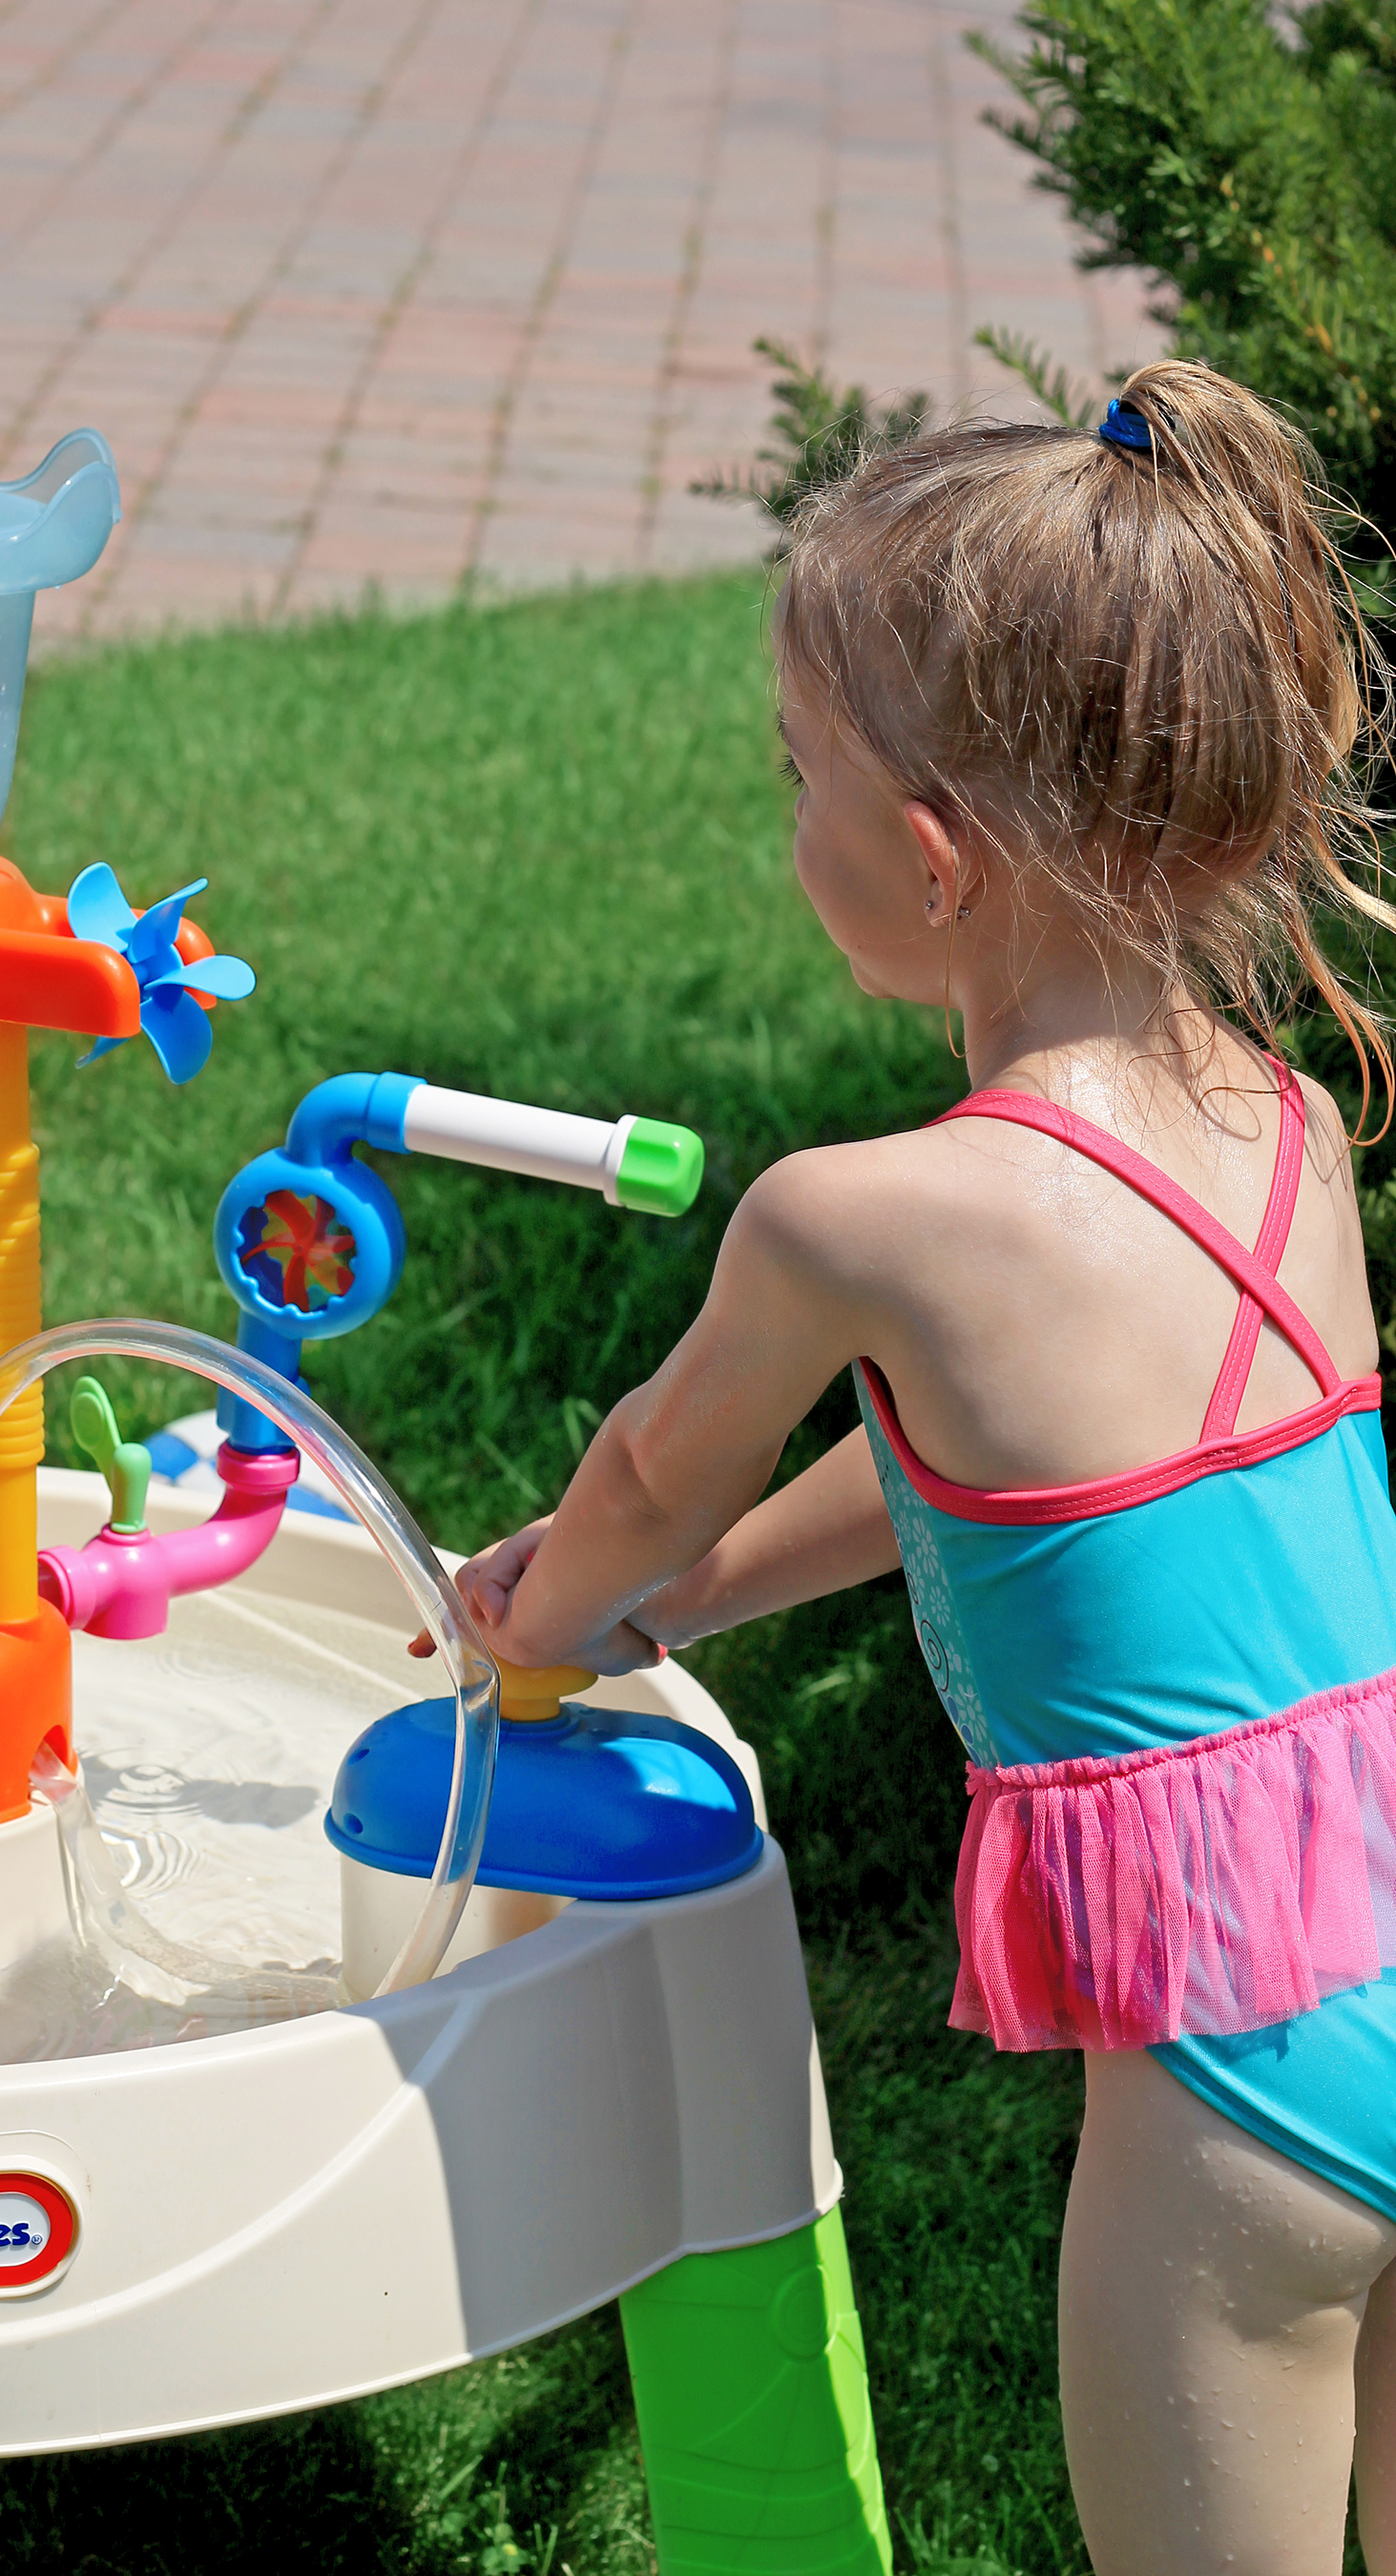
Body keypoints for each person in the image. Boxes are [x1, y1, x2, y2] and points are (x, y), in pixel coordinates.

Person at [439, 363, 1396, 2575]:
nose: (790, 825)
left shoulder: (857, 1219)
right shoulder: (1280, 1137)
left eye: (801, 779)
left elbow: (652, 1474)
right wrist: (698, 1605)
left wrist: (551, 1619)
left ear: (934, 859)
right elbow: (1017, 1485)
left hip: (1243, 2093)